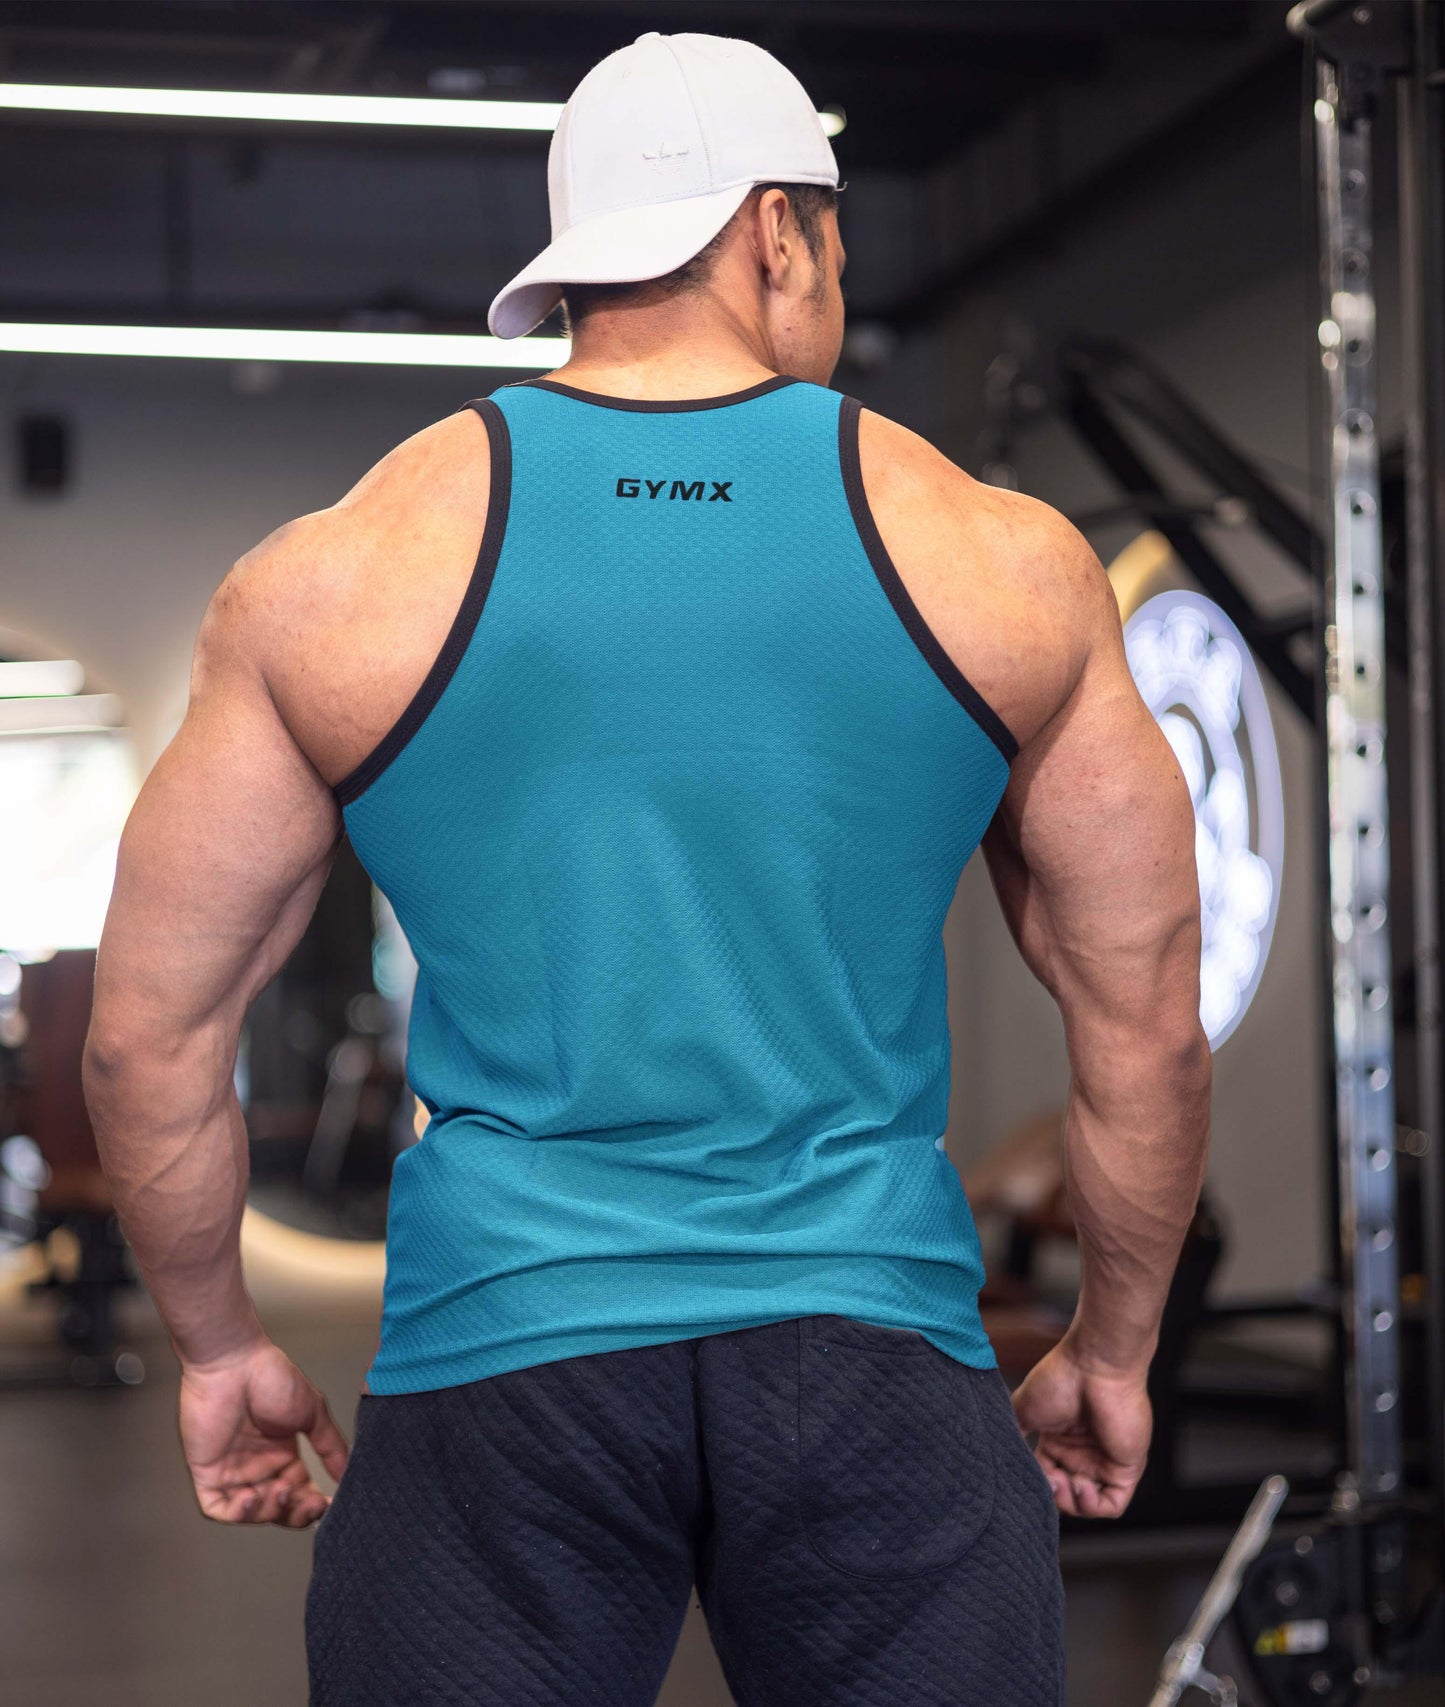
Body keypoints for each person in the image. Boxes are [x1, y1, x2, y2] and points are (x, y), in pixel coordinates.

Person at [84, 29, 1211, 1707]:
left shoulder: (340, 575)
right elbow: (1145, 1025)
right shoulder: (999, 562)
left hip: (498, 1357)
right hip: (873, 1348)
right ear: (777, 232)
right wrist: (1112, 1347)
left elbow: (146, 1039)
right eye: (831, 237)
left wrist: (218, 1344)